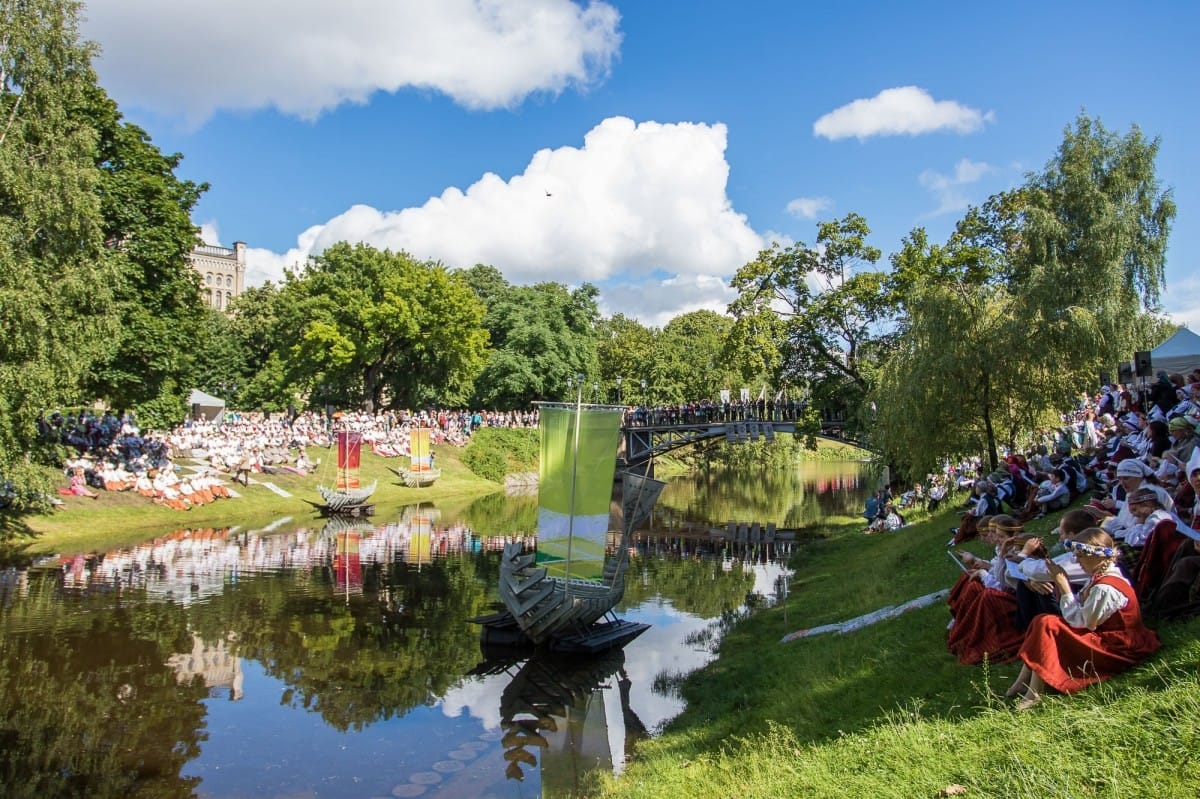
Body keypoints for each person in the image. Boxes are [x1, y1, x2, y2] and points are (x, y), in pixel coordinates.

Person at [1007, 527, 1160, 710]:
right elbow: (1081, 608)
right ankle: (1025, 679)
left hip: (1117, 646)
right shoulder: (1099, 576)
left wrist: (1064, 587)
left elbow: (1082, 622)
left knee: (1047, 623)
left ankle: (1035, 692)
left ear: (1096, 556)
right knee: (1043, 619)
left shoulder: (1106, 587)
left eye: (1080, 556)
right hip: (1105, 635)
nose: (1077, 561)